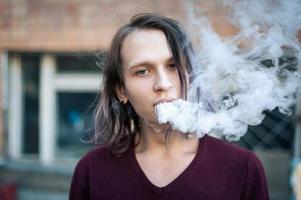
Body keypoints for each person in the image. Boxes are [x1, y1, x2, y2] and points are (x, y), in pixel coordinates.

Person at [69, 13, 269, 200]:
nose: (163, 84)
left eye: (173, 66)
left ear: (190, 75)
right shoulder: (92, 170)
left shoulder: (242, 168)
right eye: (142, 71)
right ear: (122, 90)